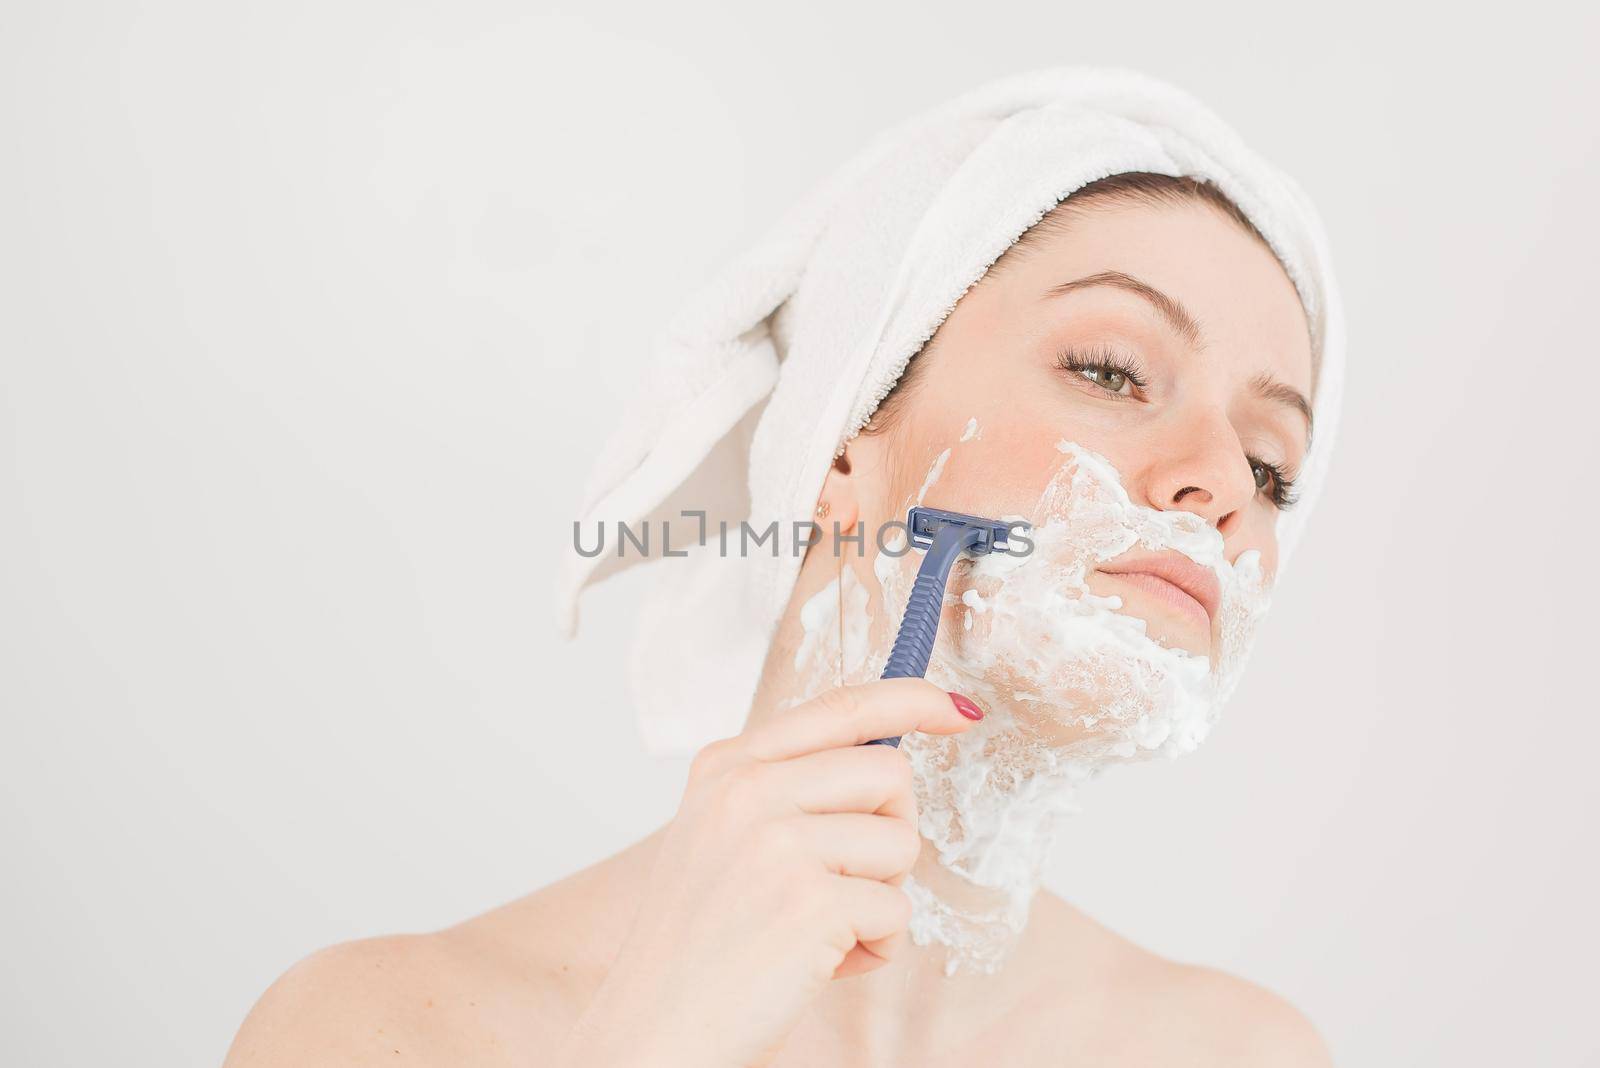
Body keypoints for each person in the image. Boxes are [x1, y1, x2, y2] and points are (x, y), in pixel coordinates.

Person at [225, 69, 1343, 1067]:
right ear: (843, 446)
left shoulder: (1249, 1053)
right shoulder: (376, 1030)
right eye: (1110, 370)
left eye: (1272, 465)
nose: (1224, 485)